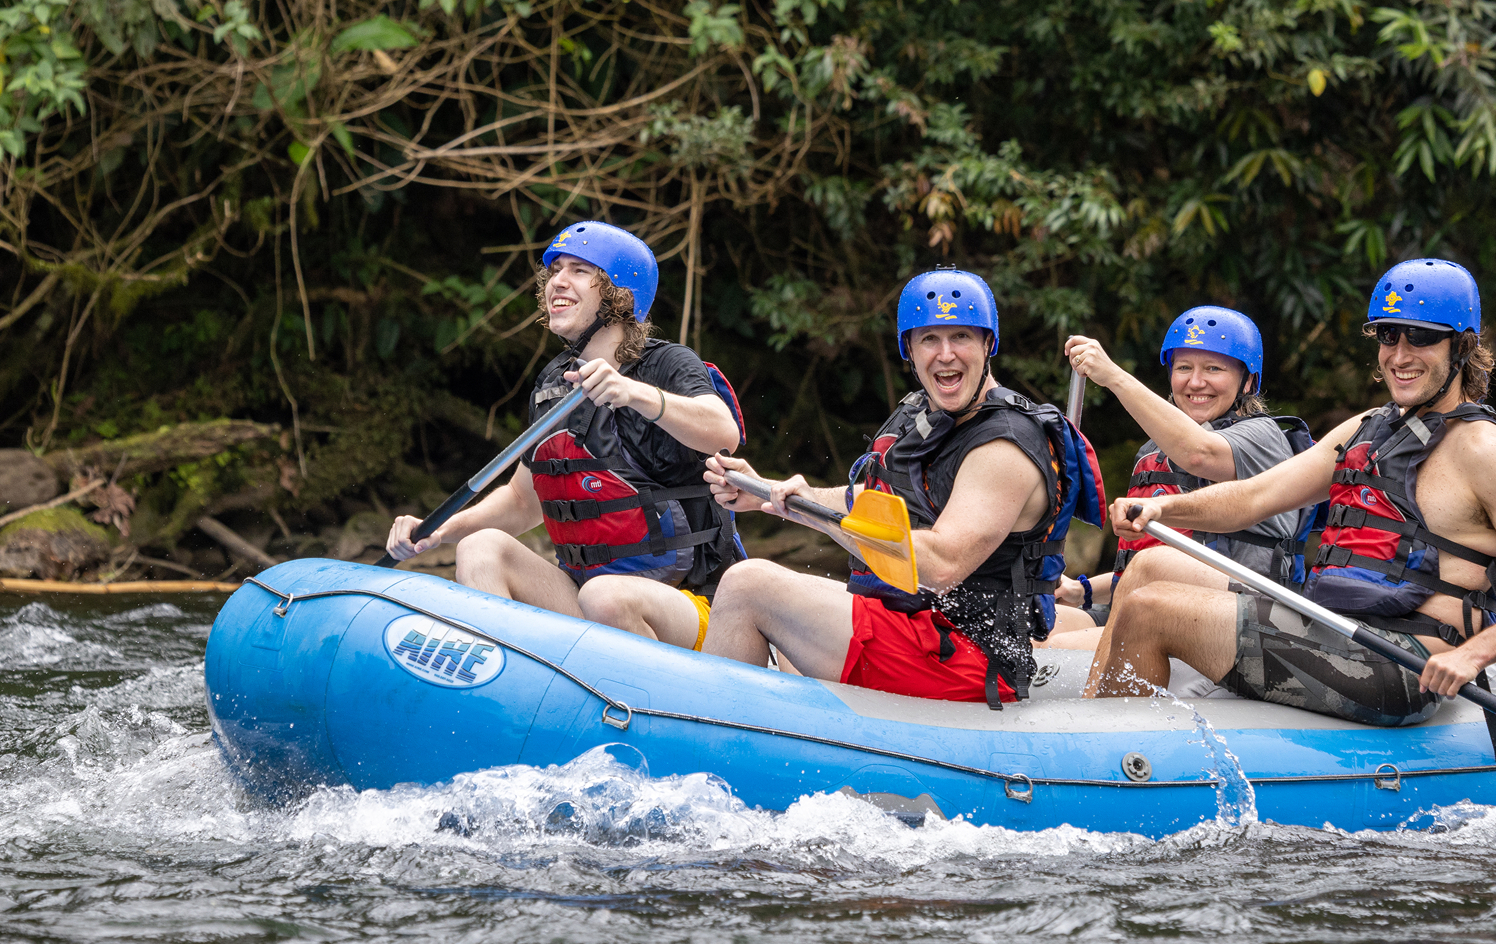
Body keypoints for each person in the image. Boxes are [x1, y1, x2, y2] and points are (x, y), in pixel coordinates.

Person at [1089, 257, 1496, 731]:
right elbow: (1253, 499)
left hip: (1403, 666)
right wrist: (1163, 507)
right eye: (1388, 335)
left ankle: (1114, 763)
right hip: (1338, 626)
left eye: (1421, 338)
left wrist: (1472, 655)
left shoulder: (1485, 451)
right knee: (1150, 568)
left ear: (1461, 348)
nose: (1399, 354)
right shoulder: (1368, 429)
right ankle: (1090, 722)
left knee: (1150, 609)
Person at [700, 268, 1104, 708]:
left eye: (962, 337)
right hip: (912, 625)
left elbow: (942, 564)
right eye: (930, 339)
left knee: (747, 585)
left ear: (988, 345)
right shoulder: (922, 416)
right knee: (787, 632)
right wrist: (774, 495)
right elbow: (870, 501)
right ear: (908, 349)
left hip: (967, 658)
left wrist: (823, 519)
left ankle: (711, 751)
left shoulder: (1005, 446)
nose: (945, 355)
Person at [385, 220, 744, 650]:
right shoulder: (554, 384)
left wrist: (633, 394)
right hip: (586, 598)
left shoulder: (667, 364)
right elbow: (522, 502)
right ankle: (506, 687)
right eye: (555, 270)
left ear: (619, 294)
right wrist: (437, 530)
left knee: (606, 595)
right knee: (482, 548)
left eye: (578, 270)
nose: (557, 280)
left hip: (690, 603)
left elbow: (723, 432)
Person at [1045, 307, 1313, 647]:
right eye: (1184, 368)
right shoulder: (1153, 451)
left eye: (1213, 369)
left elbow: (1200, 454)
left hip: (1234, 618)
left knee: (1049, 648)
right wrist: (1081, 590)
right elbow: (1140, 569)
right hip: (1146, 606)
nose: (1195, 382)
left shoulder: (1262, 436)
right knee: (1034, 626)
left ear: (1247, 380)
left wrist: (1114, 376)